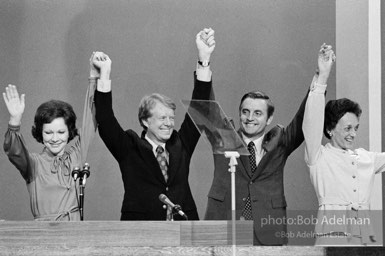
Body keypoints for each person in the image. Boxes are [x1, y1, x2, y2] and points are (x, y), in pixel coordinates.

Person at [92, 28, 215, 220]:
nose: (169, 124)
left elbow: (200, 107)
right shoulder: (129, 148)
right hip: (141, 230)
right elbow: (106, 120)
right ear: (145, 121)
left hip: (183, 226)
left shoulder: (180, 143)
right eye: (162, 118)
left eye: (171, 118)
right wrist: (104, 74)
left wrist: (204, 59)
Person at [204, 47, 311, 245]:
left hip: (267, 233)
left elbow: (304, 118)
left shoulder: (280, 143)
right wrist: (204, 61)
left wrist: (320, 78)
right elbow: (207, 106)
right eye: (245, 112)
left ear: (269, 118)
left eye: (257, 113)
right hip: (225, 231)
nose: (250, 118)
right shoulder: (224, 139)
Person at [303, 44, 383, 245]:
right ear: (330, 128)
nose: (353, 134)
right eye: (347, 128)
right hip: (332, 232)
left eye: (355, 128)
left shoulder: (367, 158)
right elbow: (311, 121)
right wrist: (322, 76)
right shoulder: (318, 156)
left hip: (366, 235)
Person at [2, 63, 97, 221]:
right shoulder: (34, 165)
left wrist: (93, 78)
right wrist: (14, 121)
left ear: (69, 132)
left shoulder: (76, 157)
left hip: (75, 233)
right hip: (44, 237)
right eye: (48, 132)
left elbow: (90, 121)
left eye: (60, 132)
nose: (54, 138)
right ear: (40, 132)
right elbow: (14, 151)